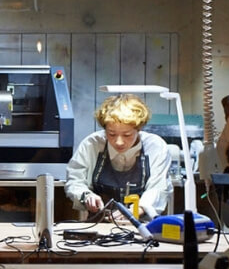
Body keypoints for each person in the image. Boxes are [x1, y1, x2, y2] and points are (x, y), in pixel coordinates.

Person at [65, 93, 172, 222]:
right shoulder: (92, 144)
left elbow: (158, 187)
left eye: (127, 135)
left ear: (139, 129)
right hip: (99, 225)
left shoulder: (155, 146)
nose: (119, 142)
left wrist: (137, 210)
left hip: (143, 226)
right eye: (111, 134)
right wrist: (86, 196)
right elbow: (75, 180)